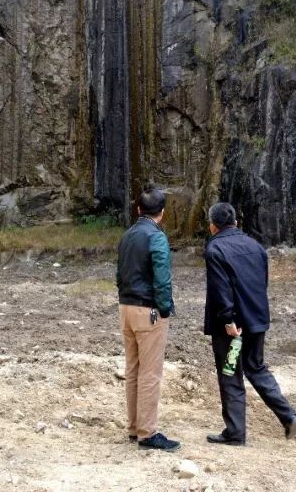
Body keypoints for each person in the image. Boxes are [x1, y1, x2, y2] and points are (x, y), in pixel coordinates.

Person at [203, 202, 296, 445]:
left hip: (232, 328)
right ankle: (288, 416)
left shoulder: (215, 249)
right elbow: (262, 283)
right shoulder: (256, 246)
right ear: (236, 222)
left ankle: (235, 433)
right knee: (256, 368)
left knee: (230, 374)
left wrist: (227, 320)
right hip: (256, 320)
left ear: (213, 226)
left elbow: (220, 288)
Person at [115, 185, 180, 451]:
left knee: (132, 370)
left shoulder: (127, 235)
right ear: (162, 213)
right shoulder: (157, 237)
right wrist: (164, 308)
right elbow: (162, 277)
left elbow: (119, 274)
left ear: (139, 209)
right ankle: (147, 433)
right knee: (150, 373)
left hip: (126, 308)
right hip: (148, 311)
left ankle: (133, 428)